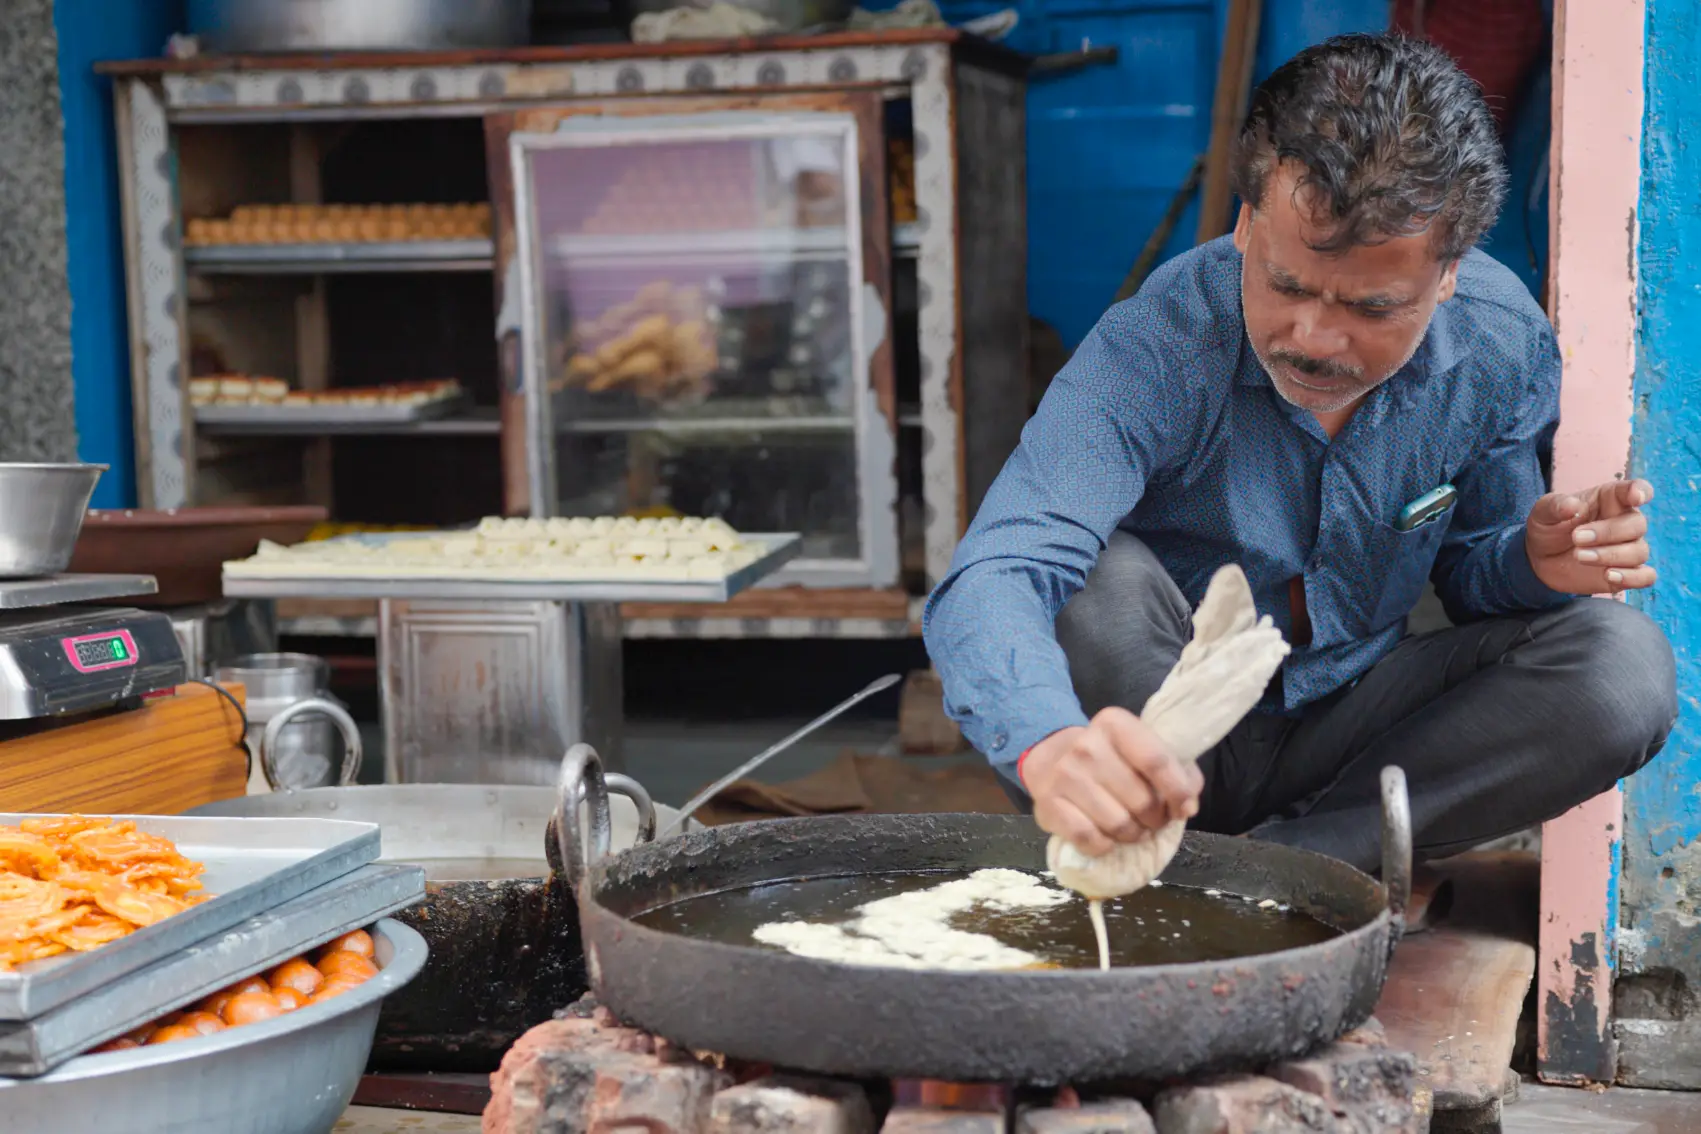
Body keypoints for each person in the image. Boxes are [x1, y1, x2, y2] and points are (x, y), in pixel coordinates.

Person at [922, 33, 1678, 874]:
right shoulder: (1154, 349)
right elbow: (997, 569)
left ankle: (1288, 869)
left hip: (1353, 735)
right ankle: (1193, 853)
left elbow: (1472, 583)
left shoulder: (1499, 347)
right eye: (1287, 286)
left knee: (1620, 669)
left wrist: (1535, 564)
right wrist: (1047, 745)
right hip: (1166, 731)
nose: (1313, 338)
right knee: (1093, 581)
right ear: (1246, 225)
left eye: (1372, 306)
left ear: (1449, 273)